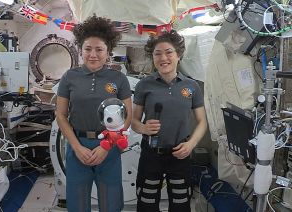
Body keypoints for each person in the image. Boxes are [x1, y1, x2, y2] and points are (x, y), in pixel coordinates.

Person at [56, 15, 132, 212]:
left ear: (108, 52)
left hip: (109, 147)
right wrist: (77, 147)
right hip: (77, 146)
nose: (93, 54)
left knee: (111, 202)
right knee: (77, 202)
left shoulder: (118, 79)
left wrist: (106, 147)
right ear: (81, 50)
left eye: (99, 49)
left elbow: (127, 116)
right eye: (88, 49)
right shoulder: (69, 77)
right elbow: (61, 115)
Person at [132, 30, 207, 212]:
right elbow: (133, 120)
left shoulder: (192, 86)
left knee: (181, 205)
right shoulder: (144, 85)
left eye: (168, 52)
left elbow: (202, 121)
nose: (163, 58)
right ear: (153, 57)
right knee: (147, 204)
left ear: (178, 55)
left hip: (180, 154)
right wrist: (143, 127)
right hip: (151, 154)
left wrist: (191, 145)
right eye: (157, 53)